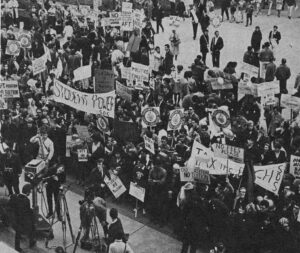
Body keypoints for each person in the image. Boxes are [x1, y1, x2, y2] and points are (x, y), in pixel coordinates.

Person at [9, 183, 36, 252]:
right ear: (27, 192)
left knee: (18, 232)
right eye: (30, 192)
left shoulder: (15, 196)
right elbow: (27, 212)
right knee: (33, 225)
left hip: (15, 219)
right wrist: (32, 212)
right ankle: (31, 242)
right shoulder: (27, 200)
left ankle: (17, 247)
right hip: (22, 221)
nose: (30, 193)